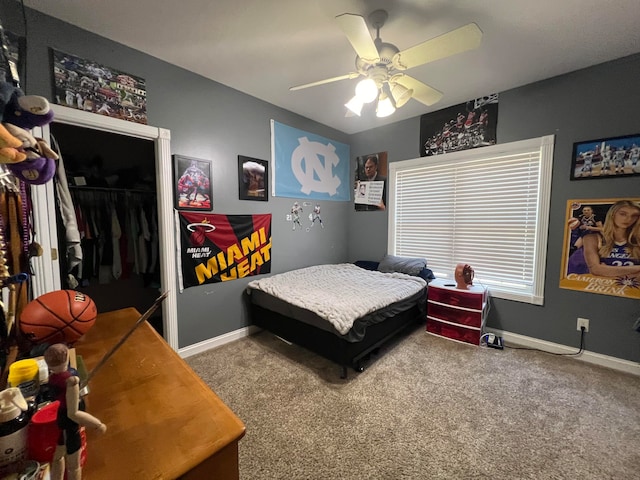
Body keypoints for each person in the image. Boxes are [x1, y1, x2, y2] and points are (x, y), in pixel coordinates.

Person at [44, 343, 107, 480]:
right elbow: (72, 412)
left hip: (62, 423)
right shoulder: (67, 379)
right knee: (66, 462)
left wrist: (96, 424)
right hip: (65, 423)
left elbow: (71, 411)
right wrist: (97, 424)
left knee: (64, 461)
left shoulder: (61, 379)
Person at [568, 200, 640, 277]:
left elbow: (601, 271)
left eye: (634, 215)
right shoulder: (592, 238)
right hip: (602, 287)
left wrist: (607, 270)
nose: (628, 219)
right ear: (612, 214)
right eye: (623, 214)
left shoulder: (637, 241)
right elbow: (596, 270)